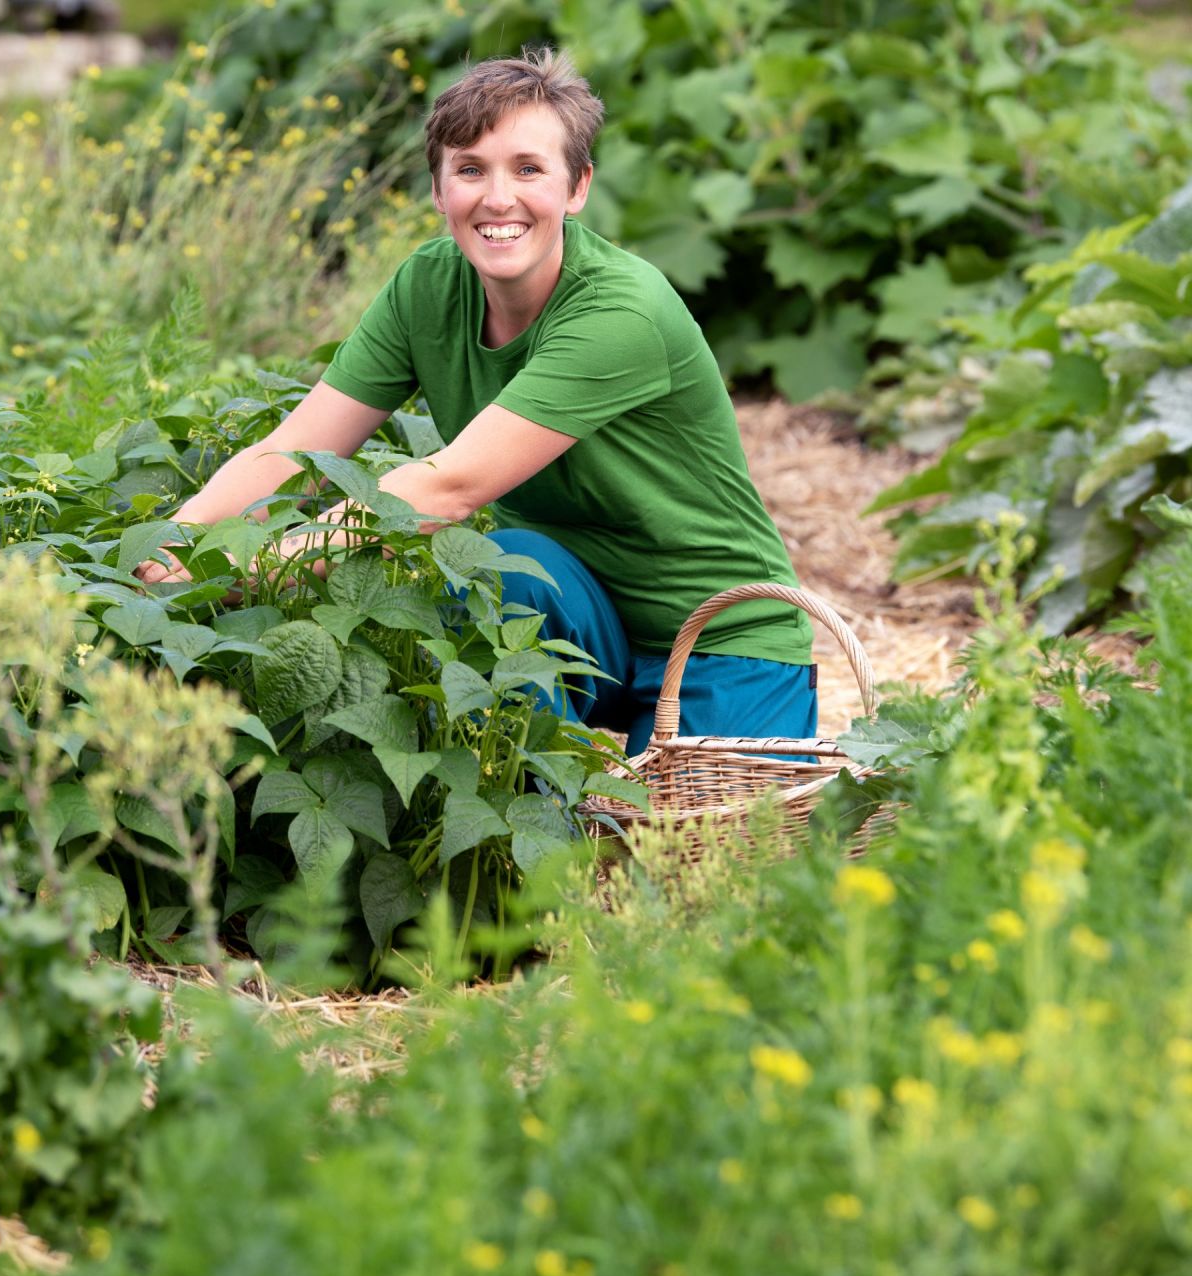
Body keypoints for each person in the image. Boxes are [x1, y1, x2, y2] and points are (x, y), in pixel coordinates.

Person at [138, 47, 817, 756]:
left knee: (699, 858)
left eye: (528, 169)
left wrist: (245, 572)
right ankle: (537, 828)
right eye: (470, 170)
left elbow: (451, 487)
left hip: (718, 632)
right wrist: (168, 548)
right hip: (581, 616)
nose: (497, 198)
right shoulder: (427, 289)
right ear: (438, 190)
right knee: (502, 563)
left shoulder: (623, 311)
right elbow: (297, 452)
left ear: (577, 186)